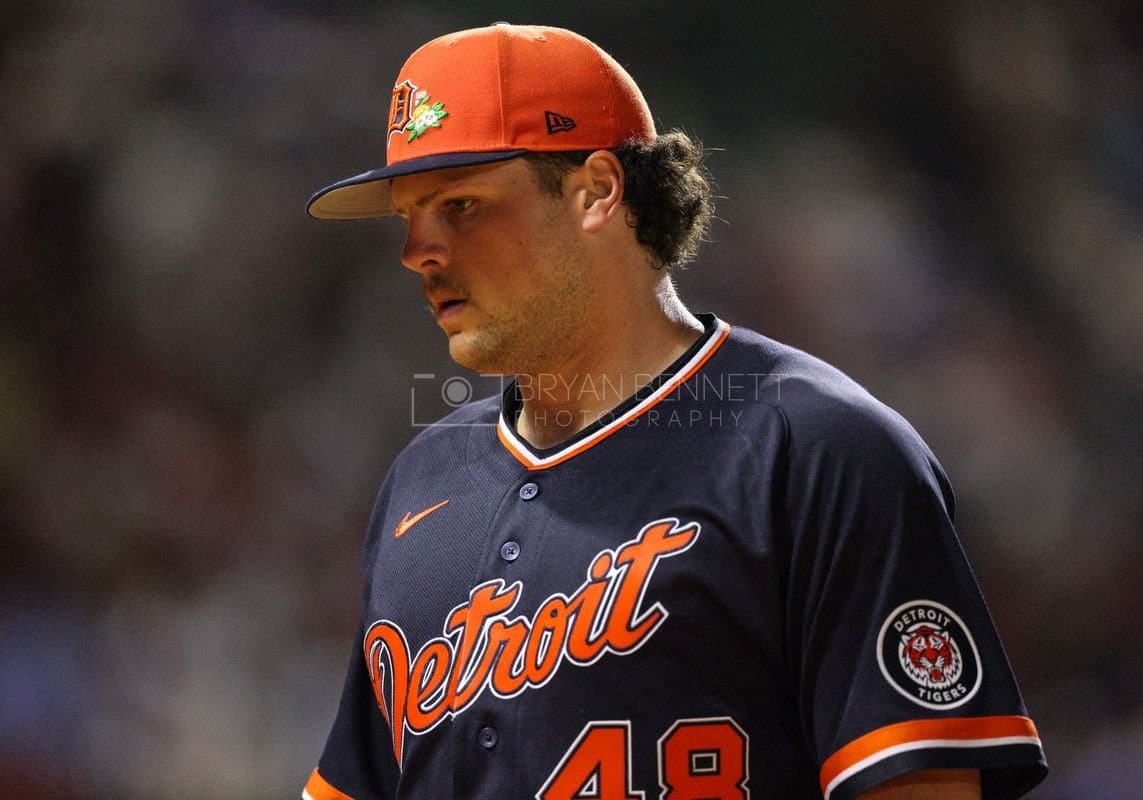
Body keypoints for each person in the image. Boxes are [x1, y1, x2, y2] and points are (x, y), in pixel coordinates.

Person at [301, 23, 1047, 800]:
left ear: (597, 191)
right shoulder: (422, 482)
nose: (417, 250)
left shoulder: (818, 451)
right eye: (408, 215)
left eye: (460, 206)